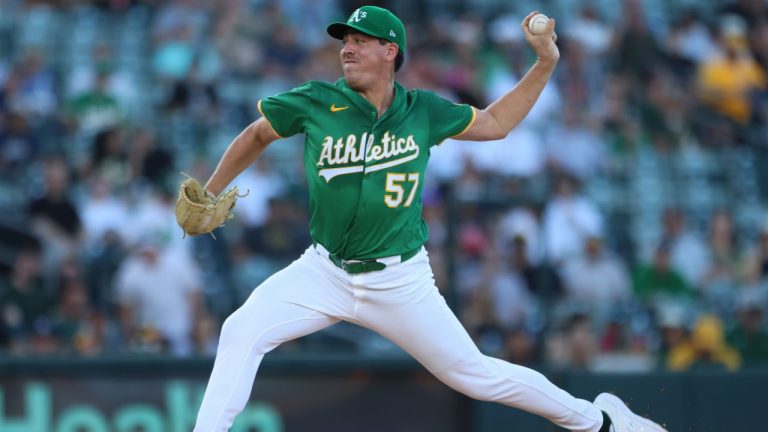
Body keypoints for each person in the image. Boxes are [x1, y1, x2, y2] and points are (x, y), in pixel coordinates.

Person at [188, 6, 666, 432]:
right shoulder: (317, 100)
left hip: (399, 280)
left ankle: (601, 422)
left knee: (476, 376)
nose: (347, 49)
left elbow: (497, 123)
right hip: (324, 270)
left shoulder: (423, 111)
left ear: (390, 51)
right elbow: (257, 134)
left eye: (360, 40)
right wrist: (211, 191)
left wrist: (544, 64)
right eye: (345, 40)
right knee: (240, 330)